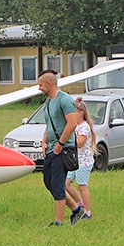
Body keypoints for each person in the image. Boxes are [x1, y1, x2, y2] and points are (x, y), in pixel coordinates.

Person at [37, 70, 80, 226]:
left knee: (57, 184)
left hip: (63, 149)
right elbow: (49, 125)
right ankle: (76, 210)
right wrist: (44, 141)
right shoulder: (48, 102)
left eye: (40, 85)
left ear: (49, 83)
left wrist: (60, 144)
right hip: (50, 149)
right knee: (49, 183)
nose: (39, 88)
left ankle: (58, 222)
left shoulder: (65, 100)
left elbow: (72, 123)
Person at [65, 99, 95, 223]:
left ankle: (88, 212)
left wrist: (68, 140)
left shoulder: (84, 127)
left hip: (84, 161)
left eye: (74, 112)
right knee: (65, 184)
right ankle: (80, 204)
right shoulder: (74, 126)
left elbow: (80, 143)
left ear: (81, 113)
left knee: (82, 186)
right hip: (74, 160)